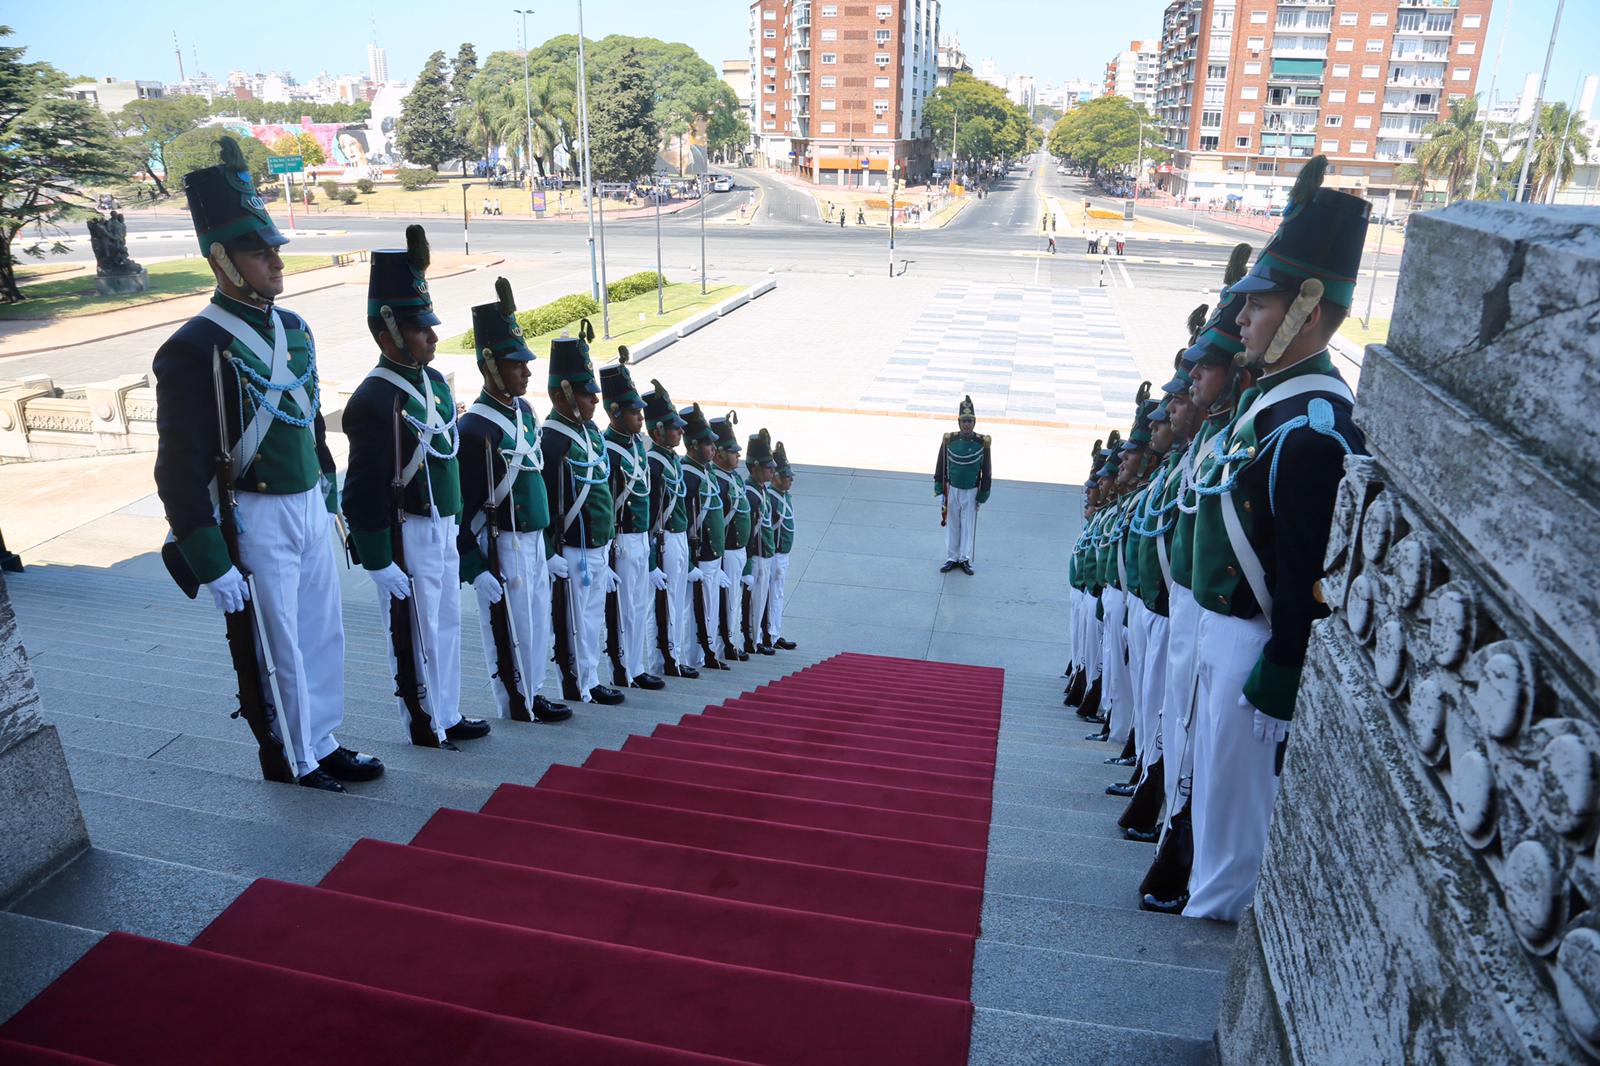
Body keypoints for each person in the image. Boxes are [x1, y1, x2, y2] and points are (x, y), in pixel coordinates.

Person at [153, 135, 381, 794]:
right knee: (278, 644)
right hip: (252, 511)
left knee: (322, 630)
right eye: (260, 251)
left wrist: (328, 484)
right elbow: (177, 466)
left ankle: (323, 737)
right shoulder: (193, 348)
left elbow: (308, 416)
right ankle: (291, 755)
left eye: (275, 247)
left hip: (308, 501)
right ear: (221, 259)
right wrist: (209, 557)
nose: (276, 259)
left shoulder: (296, 328)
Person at [1184, 159, 1369, 922]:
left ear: (1306, 309)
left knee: (1235, 826)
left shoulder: (1312, 425)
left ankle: (1214, 924)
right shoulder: (1269, 409)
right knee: (1214, 804)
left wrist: (1285, 664)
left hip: (1253, 644)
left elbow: (1305, 571)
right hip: (1219, 631)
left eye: (1260, 306)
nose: (1244, 320)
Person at [343, 226, 492, 751]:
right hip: (408, 529)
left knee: (445, 624)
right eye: (420, 329)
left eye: (430, 326)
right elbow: (360, 488)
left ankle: (447, 710)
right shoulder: (375, 399)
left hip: (442, 526)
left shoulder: (431, 384)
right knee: (413, 630)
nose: (432, 336)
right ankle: (424, 719)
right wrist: (377, 559)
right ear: (388, 332)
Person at [455, 277, 573, 726]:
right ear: (490, 367)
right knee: (507, 627)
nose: (526, 372)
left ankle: (534, 690)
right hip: (500, 543)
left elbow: (535, 483)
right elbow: (461, 509)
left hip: (532, 539)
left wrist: (546, 549)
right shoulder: (475, 430)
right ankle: (515, 701)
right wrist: (475, 568)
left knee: (536, 622)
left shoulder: (525, 413)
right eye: (516, 364)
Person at [540, 324, 625, 706]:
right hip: (571, 546)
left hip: (596, 545)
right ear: (563, 395)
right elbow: (547, 500)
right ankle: (575, 683)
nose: (594, 400)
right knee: (572, 623)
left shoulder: (590, 432)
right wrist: (549, 551)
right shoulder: (552, 439)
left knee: (592, 620)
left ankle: (590, 678)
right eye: (586, 393)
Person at [599, 353, 667, 691]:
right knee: (622, 609)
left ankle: (636, 665)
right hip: (621, 539)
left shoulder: (637, 447)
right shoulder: (607, 448)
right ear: (614, 412)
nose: (641, 416)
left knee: (638, 605)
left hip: (640, 538)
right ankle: (622, 668)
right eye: (632, 411)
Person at [641, 379, 697, 679]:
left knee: (674, 601)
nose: (680, 432)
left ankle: (673, 656)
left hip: (677, 539)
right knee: (660, 605)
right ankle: (662, 661)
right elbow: (650, 518)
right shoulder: (655, 464)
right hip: (661, 542)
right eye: (674, 427)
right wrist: (651, 561)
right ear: (657, 430)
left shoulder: (671, 461)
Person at [680, 403, 729, 670]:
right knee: (692, 613)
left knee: (708, 611)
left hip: (711, 557)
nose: (713, 449)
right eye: (708, 444)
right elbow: (683, 520)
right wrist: (689, 563)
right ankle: (692, 658)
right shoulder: (689, 475)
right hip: (697, 558)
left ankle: (704, 653)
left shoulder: (706, 472)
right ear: (694, 445)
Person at [933, 395, 991, 575]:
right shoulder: (950, 440)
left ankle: (964, 558)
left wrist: (983, 493)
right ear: (959, 422)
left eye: (970, 421)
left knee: (968, 525)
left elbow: (986, 470)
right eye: (964, 420)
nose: (967, 424)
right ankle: (952, 557)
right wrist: (939, 486)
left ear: (975, 422)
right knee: (952, 524)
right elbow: (941, 464)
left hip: (971, 490)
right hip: (953, 489)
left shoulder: (982, 443)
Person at [710, 412, 751, 662]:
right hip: (725, 550)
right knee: (724, 602)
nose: (737, 455)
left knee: (732, 600)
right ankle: (724, 642)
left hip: (739, 550)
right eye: (732, 451)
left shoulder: (733, 479)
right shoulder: (719, 481)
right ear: (718, 453)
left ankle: (730, 640)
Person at [742, 430, 778, 656]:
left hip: (765, 554)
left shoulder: (761, 491)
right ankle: (750, 641)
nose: (772, 471)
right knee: (752, 603)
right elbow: (748, 532)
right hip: (755, 554)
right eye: (767, 467)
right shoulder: (751, 494)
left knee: (762, 599)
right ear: (755, 467)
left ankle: (757, 639)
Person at [763, 441, 798, 650]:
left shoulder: (783, 497)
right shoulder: (772, 498)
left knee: (778, 594)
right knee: (769, 595)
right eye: (786, 476)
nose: (791, 479)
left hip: (782, 554)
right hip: (773, 554)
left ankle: (774, 632)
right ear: (775, 477)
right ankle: (765, 634)